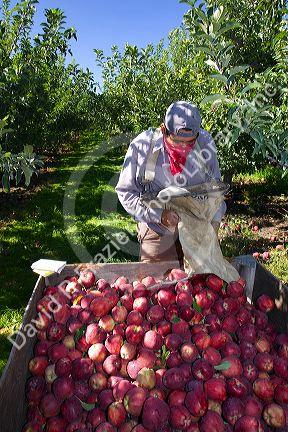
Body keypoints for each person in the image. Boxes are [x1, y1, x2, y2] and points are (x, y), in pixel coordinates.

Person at [115, 101, 226, 267]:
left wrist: (215, 225)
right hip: (156, 227)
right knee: (157, 281)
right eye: (177, 141)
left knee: (198, 282)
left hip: (195, 226)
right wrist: (159, 215)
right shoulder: (143, 146)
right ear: (163, 130)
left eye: (189, 143)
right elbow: (126, 192)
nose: (183, 147)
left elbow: (215, 191)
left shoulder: (204, 143)